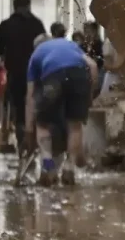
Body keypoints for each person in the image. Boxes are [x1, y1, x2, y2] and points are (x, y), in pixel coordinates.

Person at [26, 32, 97, 186]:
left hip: (53, 79)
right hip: (79, 76)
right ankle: (69, 168)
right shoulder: (70, 45)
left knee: (43, 124)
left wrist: (29, 125)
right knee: (75, 126)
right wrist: (88, 95)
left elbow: (30, 95)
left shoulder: (36, 55)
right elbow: (92, 66)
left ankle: (48, 167)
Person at [0, 0, 46, 157]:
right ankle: (37, 146)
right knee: (36, 108)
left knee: (19, 110)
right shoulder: (37, 24)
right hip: (37, 73)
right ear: (28, 6)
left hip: (15, 74)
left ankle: (22, 146)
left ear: (14, 6)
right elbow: (43, 46)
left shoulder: (5, 25)